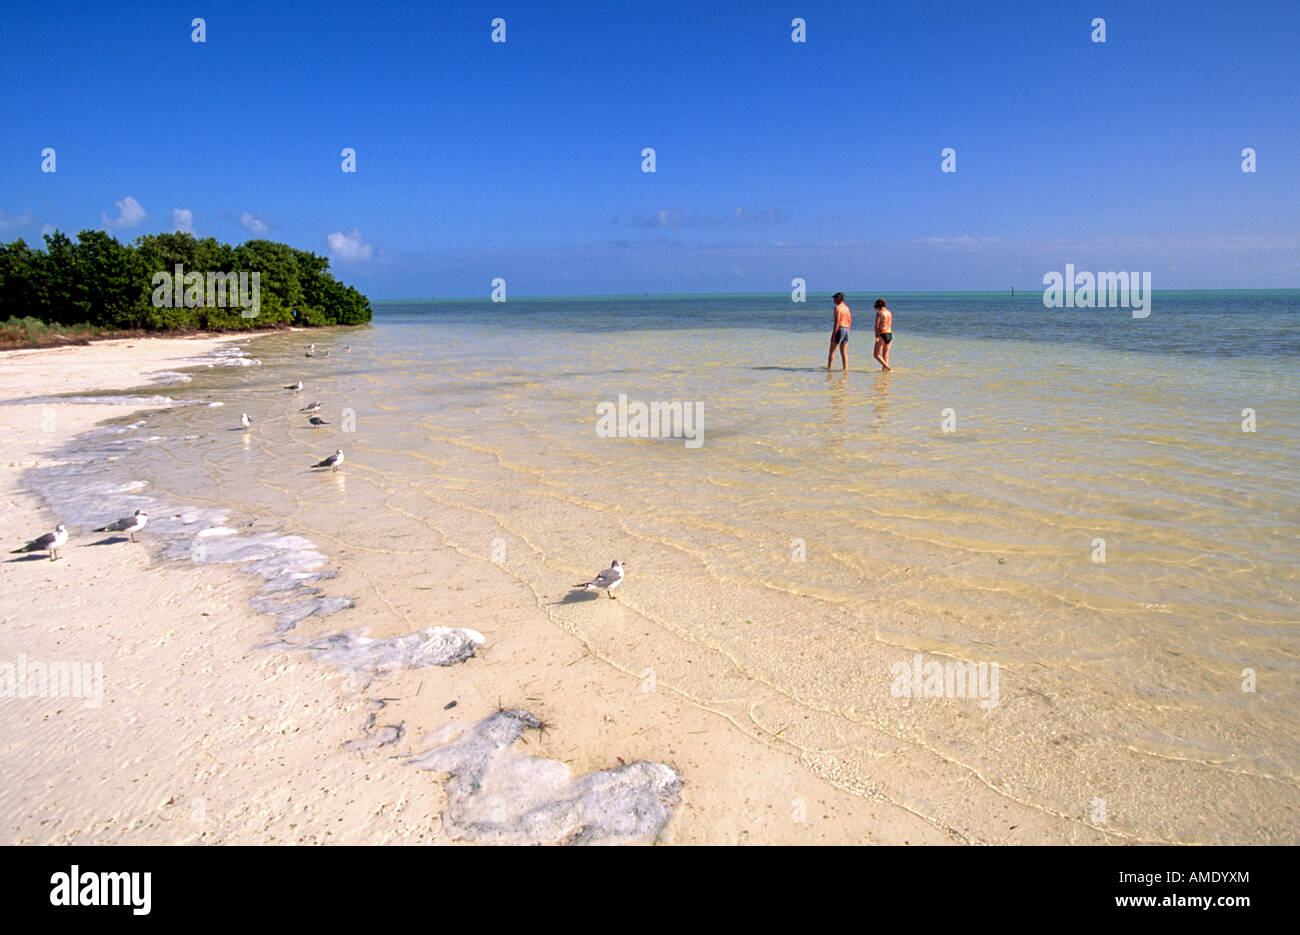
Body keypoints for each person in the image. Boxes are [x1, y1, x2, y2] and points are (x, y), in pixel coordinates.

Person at [827, 292, 851, 370]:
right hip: (847, 329)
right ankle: (845, 368)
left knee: (832, 351)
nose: (833, 300)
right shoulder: (847, 308)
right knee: (844, 352)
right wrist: (848, 330)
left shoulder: (837, 308)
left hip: (840, 329)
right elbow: (849, 320)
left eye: (834, 298)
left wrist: (833, 334)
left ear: (839, 299)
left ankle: (829, 368)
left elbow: (837, 322)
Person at [872, 298, 893, 371]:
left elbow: (876, 326)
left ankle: (887, 367)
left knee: (876, 355)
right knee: (885, 356)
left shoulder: (880, 313)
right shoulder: (889, 312)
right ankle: (884, 373)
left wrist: (876, 336)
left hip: (882, 333)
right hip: (889, 333)